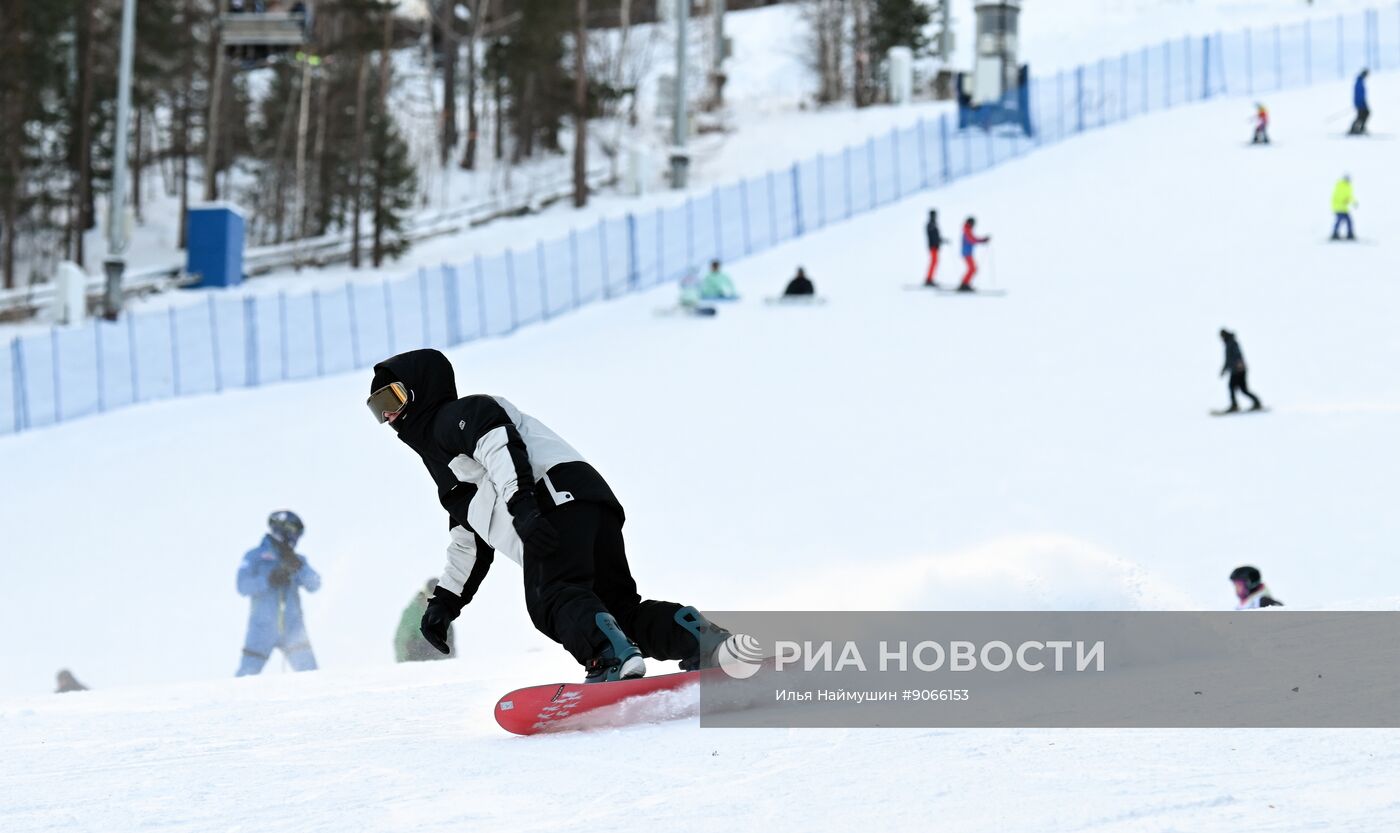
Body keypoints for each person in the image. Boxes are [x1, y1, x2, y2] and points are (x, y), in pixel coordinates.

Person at [366, 349, 733, 683]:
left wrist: (524, 506)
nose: (387, 415)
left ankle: (608, 659)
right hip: (583, 503)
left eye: (391, 398)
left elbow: (499, 446)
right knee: (616, 608)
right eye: (376, 408)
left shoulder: (457, 416)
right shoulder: (446, 469)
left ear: (419, 390)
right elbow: (469, 538)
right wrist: (445, 602)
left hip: (551, 500)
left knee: (552, 596)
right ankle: (701, 640)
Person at [236, 511, 321, 676]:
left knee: (311, 676)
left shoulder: (298, 560)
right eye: (294, 534)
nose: (296, 539)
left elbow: (315, 584)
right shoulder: (254, 556)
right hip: (261, 629)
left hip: (293, 629)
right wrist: (269, 580)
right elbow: (242, 586)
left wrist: (300, 568)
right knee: (246, 677)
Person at [396, 579, 456, 662]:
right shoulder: (412, 612)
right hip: (416, 658)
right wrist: (403, 663)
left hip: (438, 658)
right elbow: (401, 640)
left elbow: (450, 644)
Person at [1219, 329, 1263, 413]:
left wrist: (1239, 363)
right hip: (1235, 370)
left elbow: (1237, 354)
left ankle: (1236, 405)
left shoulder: (1232, 343)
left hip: (1238, 370)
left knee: (1237, 388)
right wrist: (1223, 370)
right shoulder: (1228, 343)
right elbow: (1228, 360)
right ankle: (1255, 402)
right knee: (1239, 388)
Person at [959, 217, 991, 292]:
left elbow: (973, 239)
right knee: (972, 268)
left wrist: (983, 240)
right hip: (967, 252)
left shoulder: (967, 229)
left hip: (967, 252)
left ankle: (965, 283)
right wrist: (983, 240)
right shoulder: (967, 230)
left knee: (972, 268)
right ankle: (964, 284)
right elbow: (972, 240)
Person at [1331, 175, 1356, 241]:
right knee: (1339, 220)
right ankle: (1335, 234)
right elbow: (1337, 196)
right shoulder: (1340, 185)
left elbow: (1349, 196)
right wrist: (1343, 200)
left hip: (1344, 208)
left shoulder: (1348, 187)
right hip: (1338, 207)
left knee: (1349, 221)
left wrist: (1354, 202)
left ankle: (1350, 234)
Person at [923, 210, 944, 286]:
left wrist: (941, 240)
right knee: (934, 262)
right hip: (933, 246)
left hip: (934, 246)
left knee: (934, 262)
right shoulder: (931, 224)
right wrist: (938, 240)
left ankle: (930, 278)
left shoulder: (933, 224)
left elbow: (936, 236)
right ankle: (929, 279)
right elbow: (933, 236)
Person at [1349, 68, 1370, 135]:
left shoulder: (1360, 81)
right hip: (1360, 102)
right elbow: (1359, 94)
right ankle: (1354, 129)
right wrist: (1361, 102)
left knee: (1363, 114)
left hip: (1361, 102)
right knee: (1363, 114)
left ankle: (1359, 128)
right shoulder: (1359, 81)